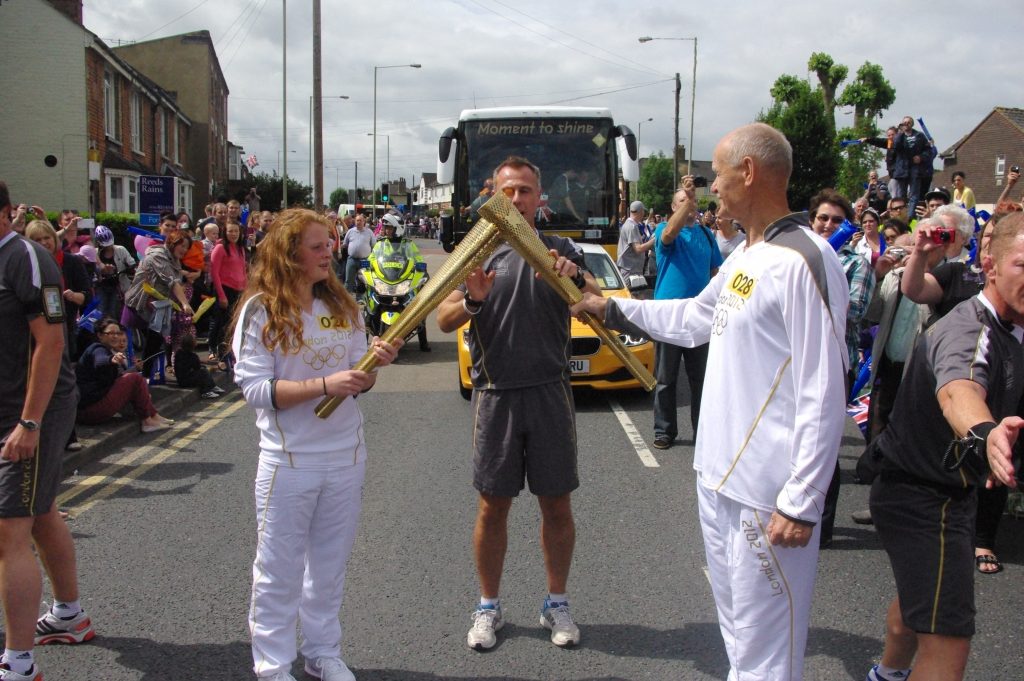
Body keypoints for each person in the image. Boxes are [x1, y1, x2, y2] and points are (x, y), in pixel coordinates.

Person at [573, 124, 848, 680]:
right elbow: (695, 317)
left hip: (766, 494)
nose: (712, 188)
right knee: (740, 640)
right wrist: (610, 308)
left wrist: (803, 497)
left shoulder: (804, 260)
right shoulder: (750, 255)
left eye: (718, 175)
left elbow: (826, 385)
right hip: (717, 476)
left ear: (748, 172)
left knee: (769, 650)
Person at [436, 156, 601, 652]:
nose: (516, 199)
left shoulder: (560, 250)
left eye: (525, 191)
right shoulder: (475, 254)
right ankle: (488, 605)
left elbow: (596, 302)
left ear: (539, 198)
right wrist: (473, 301)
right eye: (507, 191)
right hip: (495, 395)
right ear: (492, 195)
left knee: (557, 503)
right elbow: (441, 318)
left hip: (551, 392)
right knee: (493, 506)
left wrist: (574, 279)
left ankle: (557, 602)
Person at [231, 208, 400, 681]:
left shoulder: (341, 306)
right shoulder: (262, 311)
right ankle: (272, 665)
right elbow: (257, 392)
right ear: (290, 254)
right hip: (289, 462)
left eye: (330, 244)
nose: (330, 252)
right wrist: (325, 384)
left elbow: (357, 382)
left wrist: (374, 366)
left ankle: (322, 651)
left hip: (346, 457)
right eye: (318, 245)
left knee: (328, 568)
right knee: (277, 571)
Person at [864, 212, 1024, 681]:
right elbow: (959, 389)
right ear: (990, 264)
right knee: (949, 637)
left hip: (948, 490)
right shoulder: (969, 330)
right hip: (920, 498)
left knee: (923, 599)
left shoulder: (1014, 323)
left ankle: (887, 675)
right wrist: (985, 433)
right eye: (1022, 264)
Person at [0, 181, 95, 681]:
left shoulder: (28, 259)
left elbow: (51, 342)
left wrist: (29, 422)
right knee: (40, 513)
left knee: (8, 529)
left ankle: (19, 662)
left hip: (32, 410)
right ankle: (69, 615)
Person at [650, 177, 723, 450]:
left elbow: (717, 273)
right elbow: (670, 234)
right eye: (682, 202)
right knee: (666, 379)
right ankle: (664, 431)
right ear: (673, 206)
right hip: (670, 315)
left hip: (700, 317)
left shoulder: (706, 234)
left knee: (701, 380)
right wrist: (690, 200)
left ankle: (702, 432)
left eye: (690, 202)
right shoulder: (663, 230)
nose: (688, 206)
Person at [75, 318, 173, 431]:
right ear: (100, 335)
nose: (116, 336)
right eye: (111, 333)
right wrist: (112, 359)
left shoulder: (109, 350)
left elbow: (118, 379)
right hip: (89, 410)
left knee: (138, 383)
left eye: (118, 333)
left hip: (94, 406)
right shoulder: (97, 349)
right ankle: (147, 421)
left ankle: (154, 416)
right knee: (134, 378)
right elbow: (100, 360)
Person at [122, 230, 195, 379]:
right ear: (172, 243)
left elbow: (177, 282)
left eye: (187, 247)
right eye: (182, 245)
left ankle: (146, 375)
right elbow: (171, 281)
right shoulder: (158, 255)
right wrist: (185, 303)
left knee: (155, 342)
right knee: (145, 343)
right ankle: (140, 376)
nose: (184, 250)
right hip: (140, 304)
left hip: (158, 306)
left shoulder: (174, 259)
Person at [23, 220, 93, 359]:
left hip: (65, 328)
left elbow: (88, 296)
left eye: (46, 238)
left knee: (63, 373)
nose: (43, 243)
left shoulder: (72, 262)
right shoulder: (26, 264)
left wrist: (74, 296)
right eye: (37, 239)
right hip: (34, 330)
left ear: (54, 238)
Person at [369, 214, 431, 351]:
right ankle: (366, 336)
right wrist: (368, 265)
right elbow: (372, 258)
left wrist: (421, 267)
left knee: (419, 306)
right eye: (385, 227)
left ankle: (423, 341)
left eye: (389, 228)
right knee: (369, 304)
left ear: (397, 228)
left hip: (402, 278)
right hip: (385, 278)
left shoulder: (408, 244)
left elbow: (418, 259)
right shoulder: (381, 244)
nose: (386, 230)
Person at [208, 221, 248, 367]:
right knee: (222, 323)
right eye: (230, 231)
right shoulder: (220, 248)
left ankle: (230, 351)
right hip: (225, 289)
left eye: (236, 231)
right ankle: (218, 351)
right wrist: (221, 295)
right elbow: (215, 272)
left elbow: (243, 270)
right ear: (225, 232)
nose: (234, 234)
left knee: (234, 322)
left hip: (239, 290)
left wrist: (246, 290)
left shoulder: (240, 248)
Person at [92, 225, 136, 322]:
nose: (108, 247)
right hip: (101, 286)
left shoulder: (120, 250)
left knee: (114, 312)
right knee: (101, 311)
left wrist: (123, 270)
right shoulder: (96, 253)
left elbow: (132, 264)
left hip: (117, 286)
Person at [172, 333, 223, 399]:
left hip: (180, 380)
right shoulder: (193, 356)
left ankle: (212, 387)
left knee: (203, 370)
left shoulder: (178, 353)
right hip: (186, 382)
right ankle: (205, 391)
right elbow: (197, 368)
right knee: (203, 372)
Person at [616, 200, 654, 277]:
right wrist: (654, 240)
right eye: (643, 211)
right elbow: (638, 249)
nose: (643, 214)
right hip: (629, 270)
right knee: (631, 289)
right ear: (640, 212)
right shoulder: (631, 226)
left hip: (631, 269)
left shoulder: (631, 225)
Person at [341, 213, 375, 293]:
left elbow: (374, 245)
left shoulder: (369, 232)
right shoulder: (350, 231)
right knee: (348, 281)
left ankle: (361, 298)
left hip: (365, 260)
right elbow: (345, 244)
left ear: (364, 222)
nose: (358, 222)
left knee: (364, 280)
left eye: (360, 220)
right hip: (351, 259)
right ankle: (347, 299)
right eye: (357, 220)